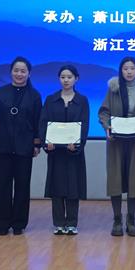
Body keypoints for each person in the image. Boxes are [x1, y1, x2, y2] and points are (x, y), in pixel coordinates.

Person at [98, 57, 135, 237]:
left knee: (134, 179)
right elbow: (104, 112)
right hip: (116, 141)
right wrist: (107, 127)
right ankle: (117, 219)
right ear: (120, 71)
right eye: (125, 68)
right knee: (115, 179)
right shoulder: (113, 89)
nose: (129, 71)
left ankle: (131, 220)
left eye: (132, 68)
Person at [0, 56, 42, 235]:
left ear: (29, 74)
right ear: (10, 72)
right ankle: (2, 224)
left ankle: (19, 224)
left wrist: (37, 144)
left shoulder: (35, 96)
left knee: (22, 186)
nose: (19, 74)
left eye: (23, 71)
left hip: (25, 147)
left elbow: (38, 122)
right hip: (2, 146)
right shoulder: (0, 92)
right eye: (16, 70)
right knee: (2, 185)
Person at [39, 65, 89, 236]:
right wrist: (47, 143)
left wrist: (77, 144)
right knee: (57, 187)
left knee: (73, 187)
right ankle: (59, 223)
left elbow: (84, 125)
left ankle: (72, 223)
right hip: (55, 152)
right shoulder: (51, 99)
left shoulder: (82, 100)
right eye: (62, 77)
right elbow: (43, 123)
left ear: (76, 79)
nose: (66, 80)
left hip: (74, 152)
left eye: (69, 77)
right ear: (58, 79)